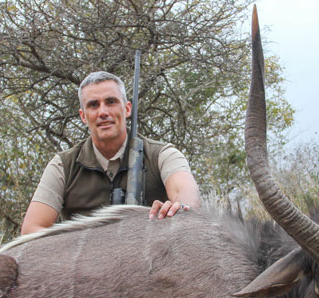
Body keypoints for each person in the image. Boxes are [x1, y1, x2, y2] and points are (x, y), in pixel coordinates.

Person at [20, 71, 200, 234]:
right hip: (85, 265)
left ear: (127, 108)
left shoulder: (162, 154)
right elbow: (31, 229)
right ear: (83, 116)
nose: (103, 112)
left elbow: (186, 195)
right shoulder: (63, 165)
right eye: (93, 105)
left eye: (111, 102)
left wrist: (178, 207)